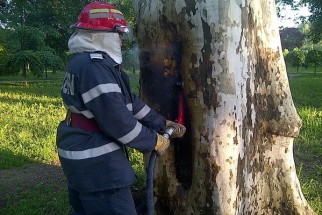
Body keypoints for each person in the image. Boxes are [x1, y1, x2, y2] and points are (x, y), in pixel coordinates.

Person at [56, 2, 186, 215]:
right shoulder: (94, 68)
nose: (121, 41)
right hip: (98, 167)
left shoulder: (87, 62)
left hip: (81, 155)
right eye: (118, 35)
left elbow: (129, 102)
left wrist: (162, 123)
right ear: (103, 35)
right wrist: (153, 141)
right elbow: (118, 122)